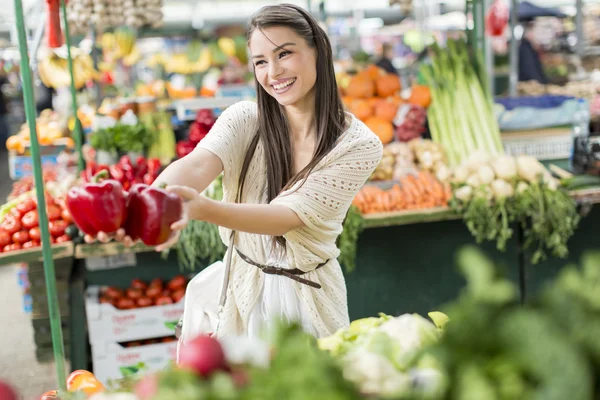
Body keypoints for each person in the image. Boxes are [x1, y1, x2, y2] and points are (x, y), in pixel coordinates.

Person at [87, 4, 383, 345]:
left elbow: (287, 217)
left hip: (310, 302)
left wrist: (200, 209)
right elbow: (197, 165)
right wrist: (140, 208)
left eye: (284, 53)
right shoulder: (245, 119)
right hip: (241, 291)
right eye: (260, 62)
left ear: (318, 50)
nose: (273, 72)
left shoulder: (359, 145)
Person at [0, 60, 10, 146]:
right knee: (3, 127)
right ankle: (3, 144)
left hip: (2, 108)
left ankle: (4, 144)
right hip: (1, 109)